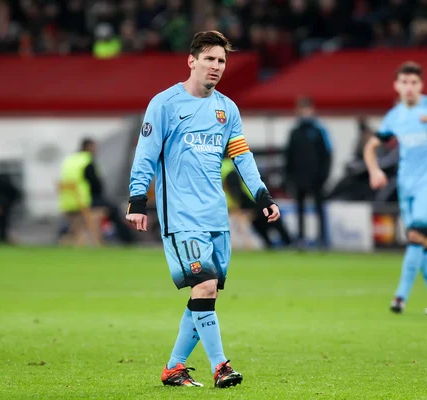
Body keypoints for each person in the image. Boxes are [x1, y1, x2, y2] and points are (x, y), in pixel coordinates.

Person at [126, 31, 280, 388]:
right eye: (209, 59)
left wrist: (262, 195)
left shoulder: (227, 109)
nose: (216, 66)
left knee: (203, 295)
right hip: (181, 217)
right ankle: (220, 366)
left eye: (221, 61)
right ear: (192, 60)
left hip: (216, 216)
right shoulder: (164, 104)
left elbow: (242, 156)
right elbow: (146, 154)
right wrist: (137, 199)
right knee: (206, 286)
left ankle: (174, 368)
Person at [364, 61, 427, 315]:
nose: (409, 87)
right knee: (423, 242)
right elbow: (370, 147)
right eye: (405, 82)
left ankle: (400, 297)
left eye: (414, 83)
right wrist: (375, 170)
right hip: (406, 185)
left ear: (421, 84)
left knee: (415, 236)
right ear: (396, 86)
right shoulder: (395, 116)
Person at [58, 138, 135, 245]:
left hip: (67, 202)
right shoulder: (87, 161)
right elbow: (96, 184)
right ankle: (129, 240)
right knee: (113, 209)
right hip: (85, 201)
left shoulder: (70, 160)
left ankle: (69, 237)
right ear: (89, 147)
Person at [285, 97, 332, 248]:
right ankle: (300, 239)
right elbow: (289, 157)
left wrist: (324, 176)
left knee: (319, 209)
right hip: (299, 179)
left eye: (307, 108)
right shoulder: (294, 132)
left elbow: (327, 155)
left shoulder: (319, 131)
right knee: (299, 210)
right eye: (302, 109)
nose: (305, 112)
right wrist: (289, 178)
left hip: (317, 179)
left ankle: (322, 239)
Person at [222, 156, 291, 249]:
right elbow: (235, 188)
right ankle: (287, 242)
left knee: (259, 223)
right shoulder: (229, 166)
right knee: (272, 219)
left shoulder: (219, 167)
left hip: (232, 203)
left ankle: (270, 244)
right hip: (249, 200)